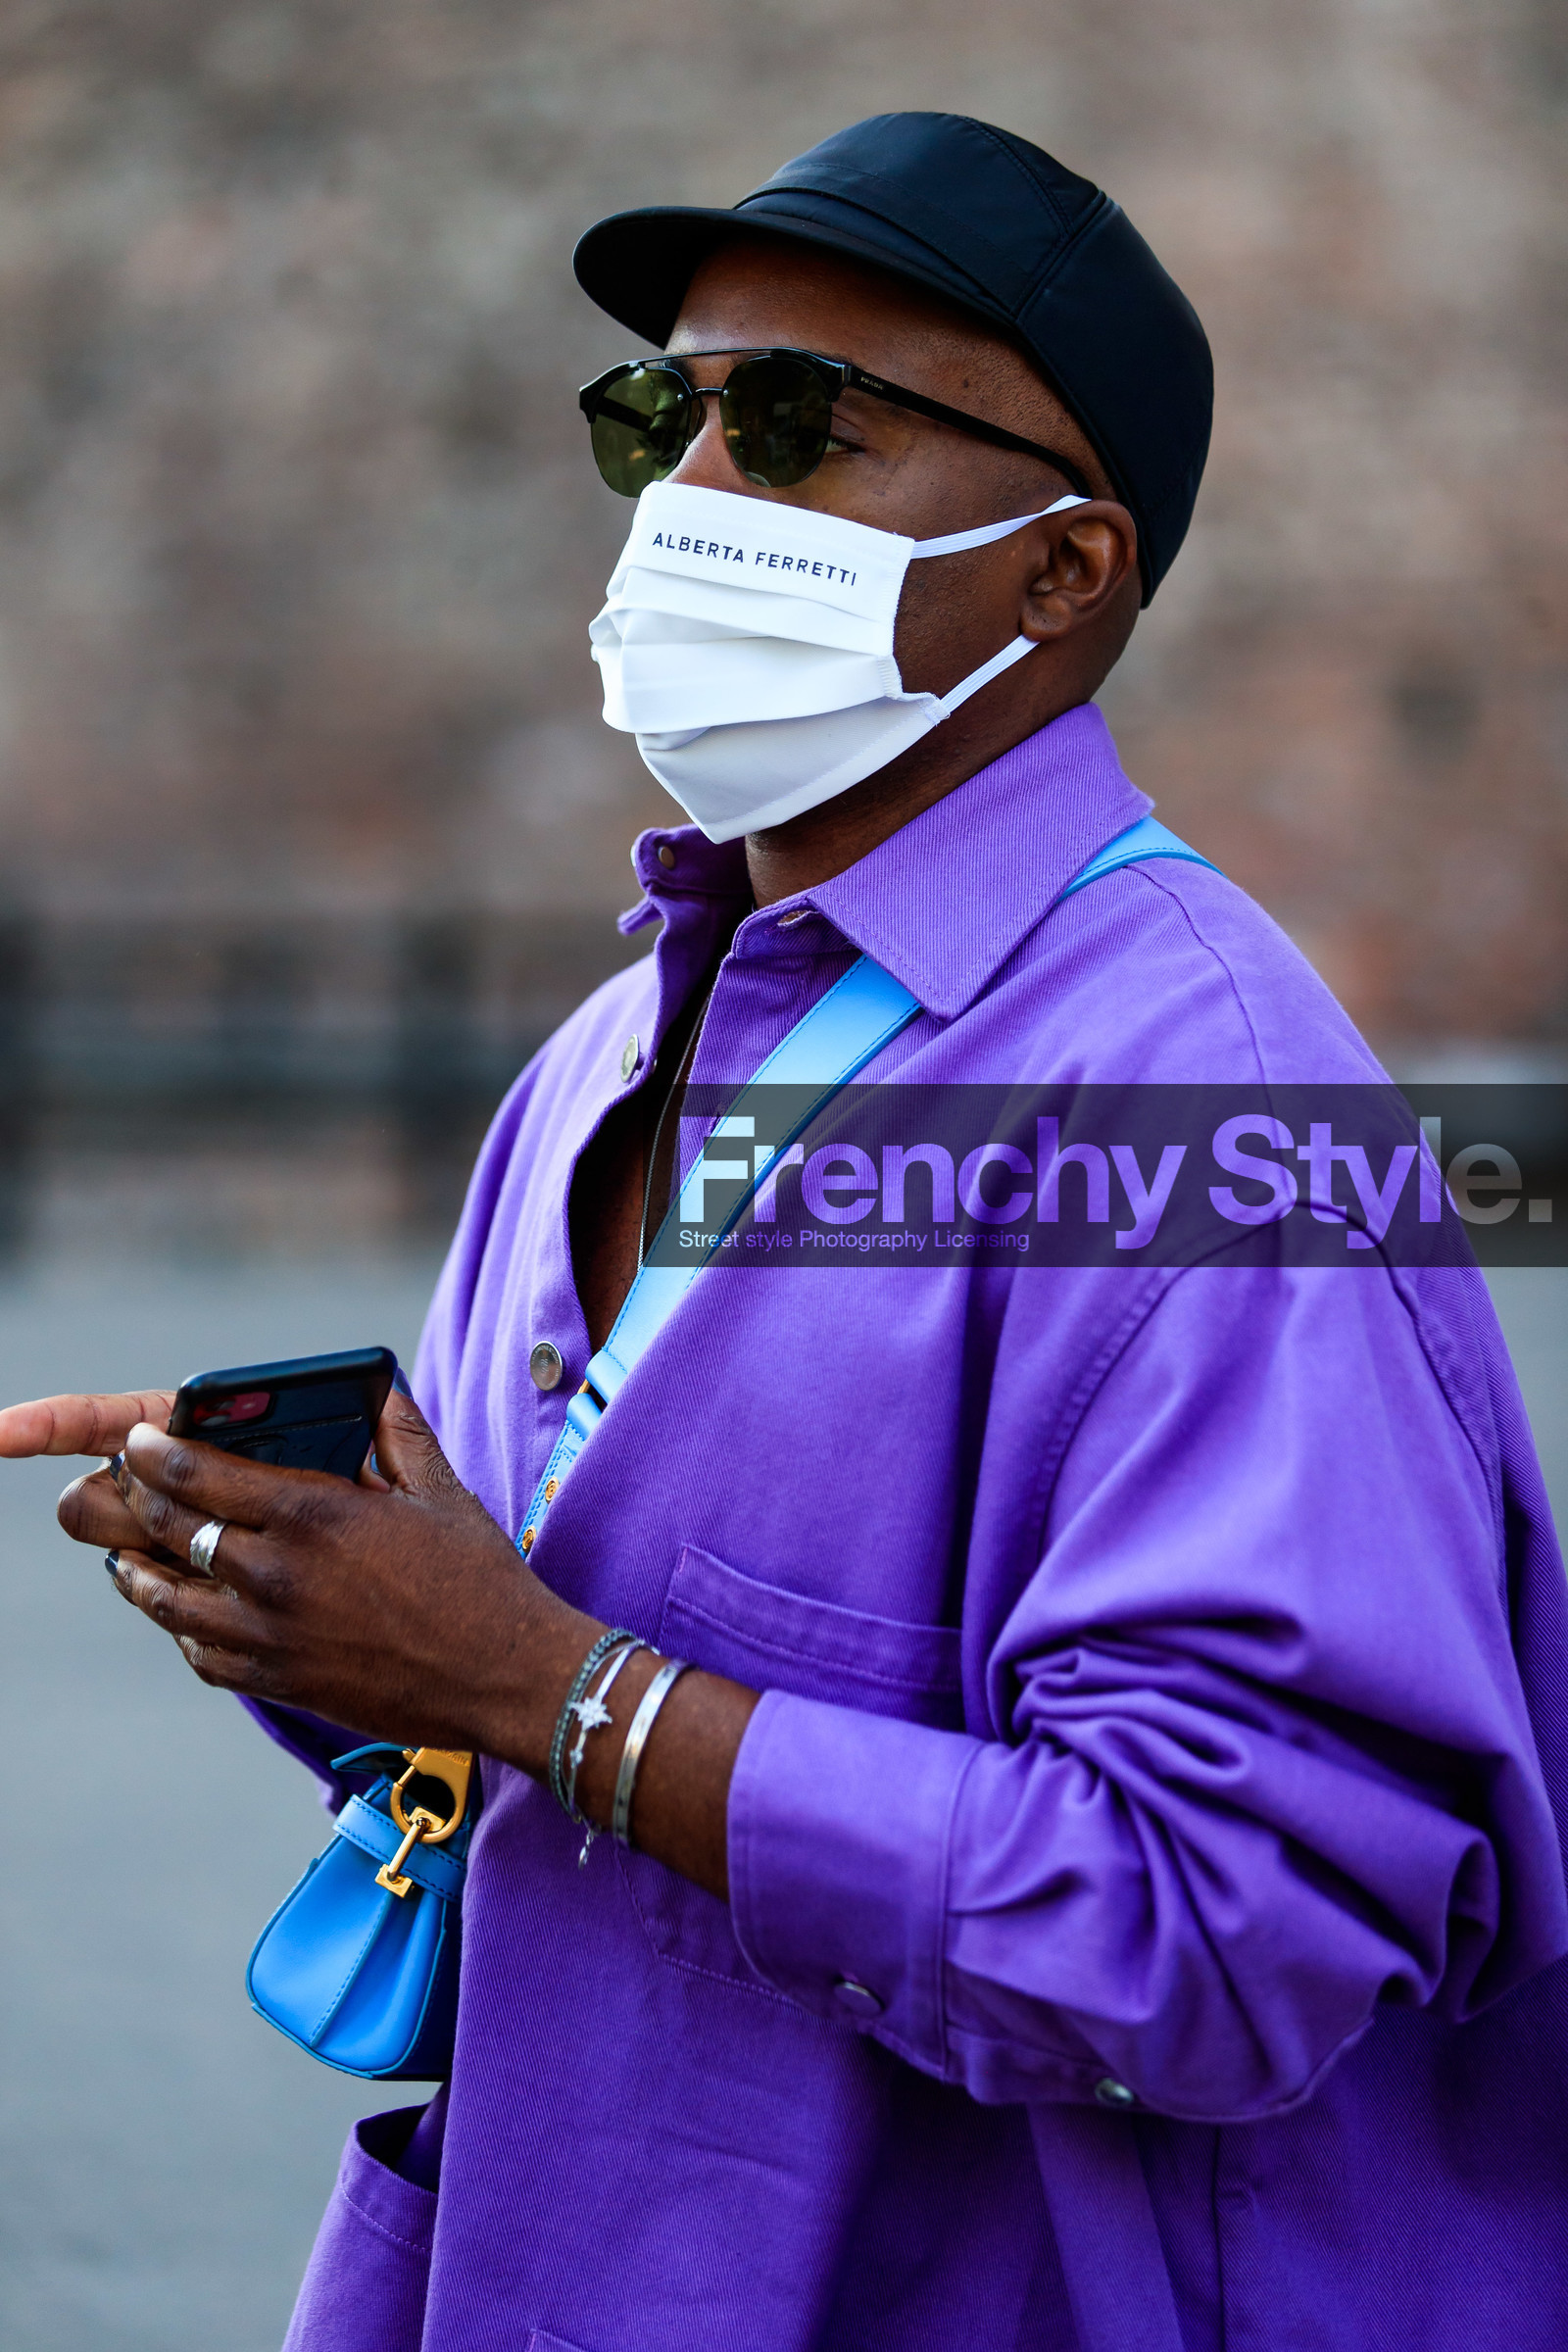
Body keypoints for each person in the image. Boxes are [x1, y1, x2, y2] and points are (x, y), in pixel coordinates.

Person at [4, 112, 1566, 2352]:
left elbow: (1222, 1938)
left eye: (803, 421)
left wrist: (541, 1683)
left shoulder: (1203, 1105)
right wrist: (318, 1598)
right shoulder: (605, 1057)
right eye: (663, 414)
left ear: (1062, 572)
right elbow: (509, 1730)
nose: (692, 490)